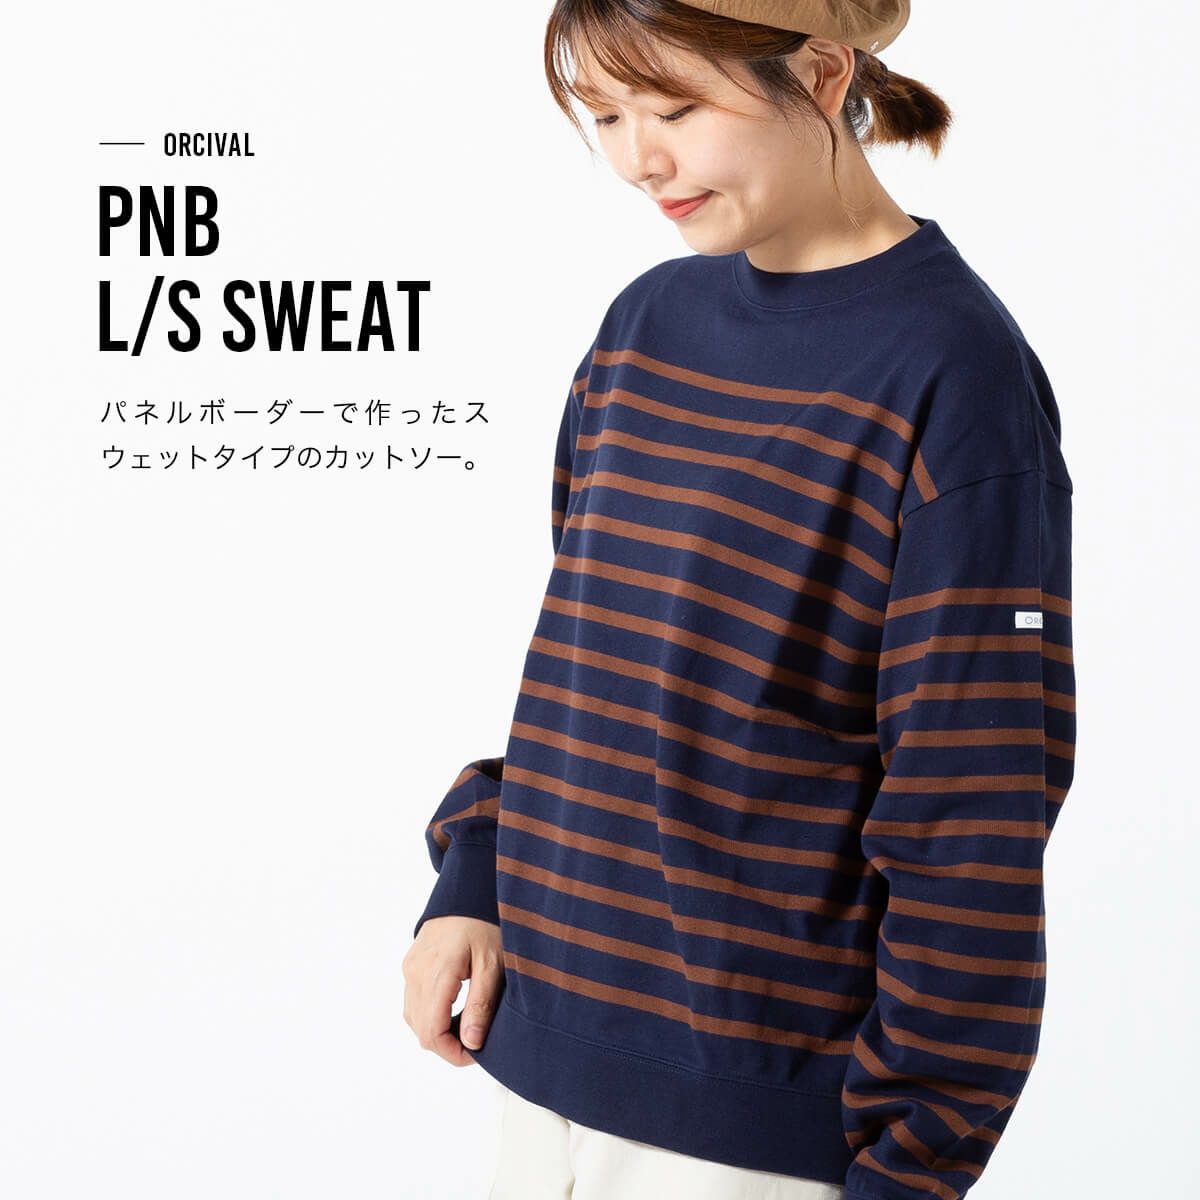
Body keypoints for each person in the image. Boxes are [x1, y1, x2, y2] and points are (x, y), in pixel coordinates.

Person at [403, 2, 1077, 1198]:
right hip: (535, 1057)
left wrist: (911, 1162)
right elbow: (594, 668)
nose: (638, 159)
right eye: (607, 116)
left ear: (821, 75)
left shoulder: (953, 376)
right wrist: (479, 877)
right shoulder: (646, 326)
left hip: (748, 1131)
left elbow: (968, 809)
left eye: (675, 108)